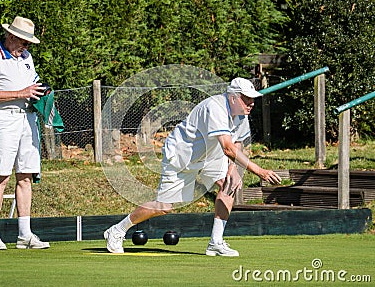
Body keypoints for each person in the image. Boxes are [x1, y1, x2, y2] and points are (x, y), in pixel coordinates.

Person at [104, 78, 282, 256]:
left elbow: (237, 143)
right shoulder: (215, 108)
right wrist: (260, 171)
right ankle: (118, 230)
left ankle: (216, 242)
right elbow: (228, 148)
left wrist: (232, 169)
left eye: (252, 99)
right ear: (233, 97)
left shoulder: (241, 114)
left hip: (209, 155)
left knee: (229, 186)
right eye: (246, 98)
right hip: (181, 156)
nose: (251, 103)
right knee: (163, 207)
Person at [0, 16, 50, 250]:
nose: (26, 48)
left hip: (27, 120)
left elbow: (33, 85)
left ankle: (25, 235)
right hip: (4, 120)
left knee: (26, 176)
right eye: (24, 43)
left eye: (28, 44)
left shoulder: (27, 58)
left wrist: (43, 92)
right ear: (11, 37)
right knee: (2, 176)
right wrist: (21, 92)